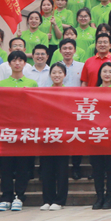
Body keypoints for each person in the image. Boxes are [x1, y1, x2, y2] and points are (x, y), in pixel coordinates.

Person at [0, 51, 38, 211]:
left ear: (25, 63)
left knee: (22, 165)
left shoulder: (31, 83)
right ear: (9, 64)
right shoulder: (0, 84)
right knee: (5, 165)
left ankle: (20, 196)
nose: (17, 63)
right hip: (6, 129)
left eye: (20, 60)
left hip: (24, 130)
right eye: (14, 60)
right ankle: (6, 197)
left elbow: (35, 107)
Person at [39, 63, 70, 211]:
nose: (57, 75)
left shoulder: (70, 93)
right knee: (46, 169)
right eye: (54, 72)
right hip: (47, 134)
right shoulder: (44, 93)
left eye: (60, 72)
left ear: (65, 75)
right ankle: (47, 199)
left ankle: (60, 200)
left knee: (62, 170)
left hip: (63, 136)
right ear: (50, 75)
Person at [91, 62, 111, 210]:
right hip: (96, 134)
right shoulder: (93, 91)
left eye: (110, 71)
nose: (107, 74)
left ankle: (109, 197)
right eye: (104, 71)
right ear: (100, 74)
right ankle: (99, 197)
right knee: (97, 169)